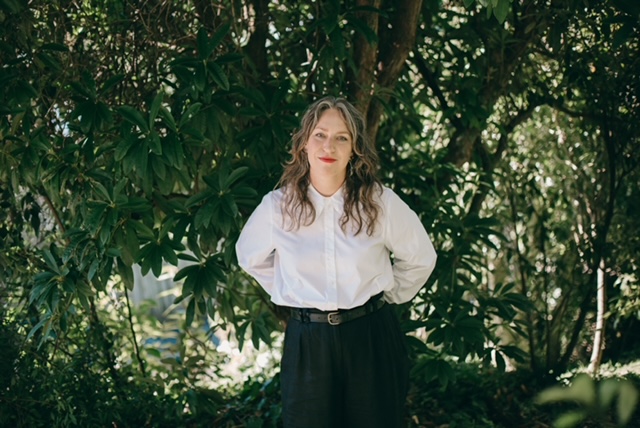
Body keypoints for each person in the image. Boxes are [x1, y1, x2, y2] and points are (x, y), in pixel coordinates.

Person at [235, 96, 437, 428]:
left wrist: (385, 295)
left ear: (354, 148)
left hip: (370, 337)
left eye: (341, 137)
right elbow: (249, 256)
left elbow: (420, 257)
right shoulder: (278, 207)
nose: (329, 146)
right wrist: (291, 290)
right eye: (320, 135)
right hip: (308, 342)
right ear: (304, 143)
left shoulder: (380, 203)